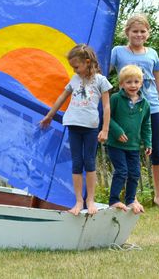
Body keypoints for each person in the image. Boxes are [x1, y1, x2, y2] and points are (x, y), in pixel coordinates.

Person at [110, 14, 159, 215]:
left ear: (148, 33)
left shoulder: (152, 54)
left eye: (142, 31)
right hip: (126, 110)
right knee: (129, 148)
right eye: (135, 31)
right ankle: (133, 197)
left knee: (156, 149)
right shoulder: (118, 52)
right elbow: (104, 73)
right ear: (127, 33)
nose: (139, 34)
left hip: (151, 107)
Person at [40, 43, 112, 215]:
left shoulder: (101, 81)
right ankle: (78, 201)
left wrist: (105, 129)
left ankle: (90, 200)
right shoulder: (75, 80)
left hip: (91, 127)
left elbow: (107, 107)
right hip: (73, 124)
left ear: (87, 62)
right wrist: (50, 115)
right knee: (77, 163)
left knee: (90, 162)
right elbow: (61, 97)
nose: (74, 70)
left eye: (76, 67)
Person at [106, 65, 151, 214]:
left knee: (135, 173)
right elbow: (107, 117)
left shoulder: (145, 104)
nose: (133, 85)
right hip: (116, 144)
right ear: (121, 84)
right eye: (129, 82)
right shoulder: (116, 99)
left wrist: (148, 142)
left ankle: (131, 200)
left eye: (136, 82)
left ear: (141, 83)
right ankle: (114, 200)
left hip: (133, 146)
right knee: (122, 171)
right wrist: (117, 130)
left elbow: (146, 125)